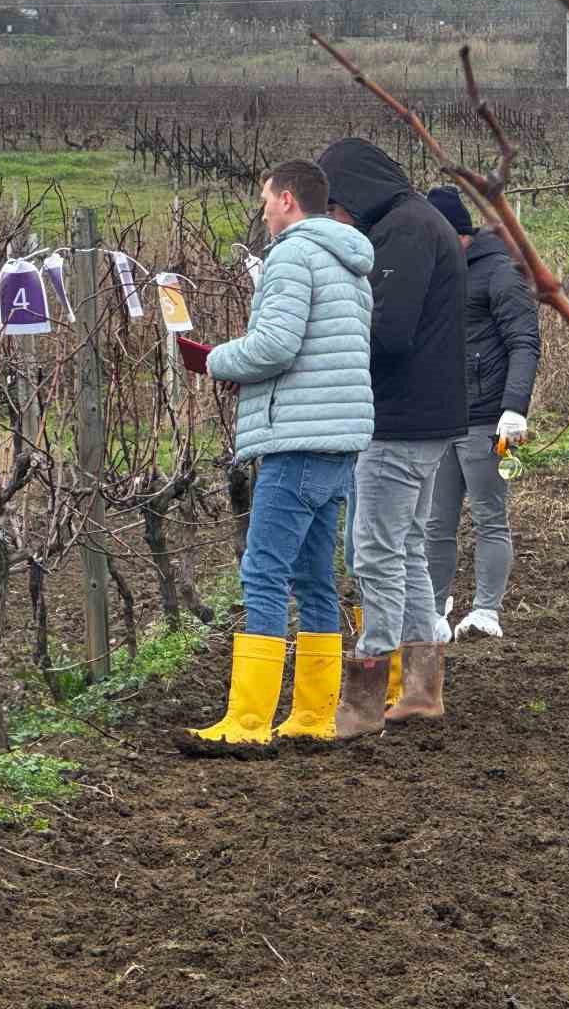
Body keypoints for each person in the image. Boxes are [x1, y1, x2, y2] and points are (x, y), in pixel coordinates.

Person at [177, 160, 374, 755]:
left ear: (287, 199)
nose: (261, 210)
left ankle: (249, 721)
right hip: (338, 438)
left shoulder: (292, 254)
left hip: (296, 441)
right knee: (315, 578)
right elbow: (319, 351)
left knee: (263, 573)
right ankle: (313, 714)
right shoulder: (350, 260)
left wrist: (212, 360)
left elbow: (276, 345)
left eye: (265, 199)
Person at [318, 139, 467, 738]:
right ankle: (423, 690)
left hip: (398, 421)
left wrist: (329, 335)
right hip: (430, 419)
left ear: (351, 193)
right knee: (404, 547)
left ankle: (362, 699)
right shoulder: (419, 221)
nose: (335, 221)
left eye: (334, 207)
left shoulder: (403, 232)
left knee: (375, 552)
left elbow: (390, 331)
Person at [425, 186, 540, 640]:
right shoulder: (438, 272)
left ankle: (486, 611)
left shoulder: (499, 273)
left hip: (488, 419)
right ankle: (433, 612)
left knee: (490, 516)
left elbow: (524, 342)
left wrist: (514, 408)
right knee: (436, 522)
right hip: (439, 418)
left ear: (455, 233)